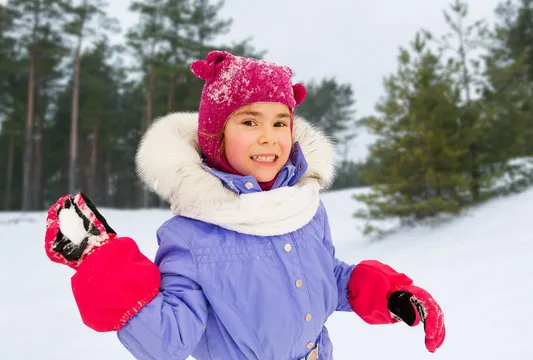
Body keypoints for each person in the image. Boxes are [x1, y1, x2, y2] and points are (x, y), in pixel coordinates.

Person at [44, 50, 445, 360]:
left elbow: (326, 276)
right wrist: (103, 265)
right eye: (249, 122)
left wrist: (389, 294)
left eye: (279, 122)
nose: (268, 137)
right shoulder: (193, 234)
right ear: (215, 136)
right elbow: (169, 339)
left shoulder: (303, 207)